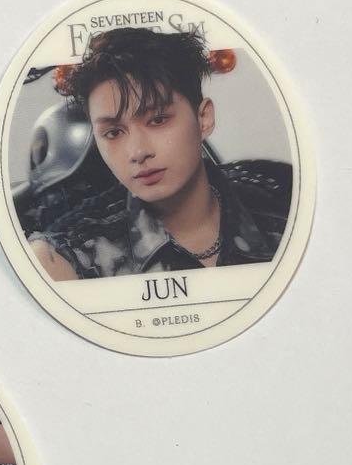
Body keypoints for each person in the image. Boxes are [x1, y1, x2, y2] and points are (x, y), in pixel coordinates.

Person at [28, 26, 291, 280]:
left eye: (158, 120)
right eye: (114, 132)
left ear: (204, 118)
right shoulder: (67, 262)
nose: (138, 152)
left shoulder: (285, 201)